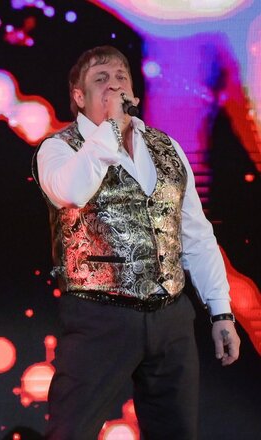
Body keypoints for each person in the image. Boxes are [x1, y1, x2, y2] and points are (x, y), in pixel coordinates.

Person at [33, 46, 241, 439]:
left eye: (121, 78)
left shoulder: (166, 148)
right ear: (79, 96)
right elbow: (72, 191)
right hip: (100, 319)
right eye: (101, 80)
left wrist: (221, 312)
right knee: (70, 432)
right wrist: (110, 128)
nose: (114, 86)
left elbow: (196, 234)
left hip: (171, 317)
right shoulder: (58, 149)